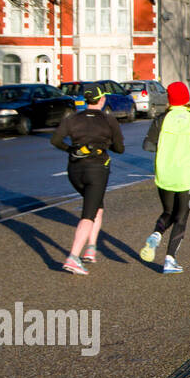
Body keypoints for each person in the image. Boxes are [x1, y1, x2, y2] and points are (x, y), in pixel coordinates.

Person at [138, 81, 190, 274]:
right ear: (187, 98)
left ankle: (156, 233)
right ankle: (170, 260)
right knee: (181, 218)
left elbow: (148, 146)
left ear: (169, 99)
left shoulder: (160, 120)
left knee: (168, 212)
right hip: (189, 176)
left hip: (165, 175)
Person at [50, 84, 124, 274]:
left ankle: (91, 248)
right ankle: (73, 257)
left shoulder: (72, 118)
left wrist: (72, 150)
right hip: (97, 170)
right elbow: (120, 148)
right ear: (101, 99)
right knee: (88, 215)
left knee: (97, 205)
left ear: (85, 100)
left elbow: (55, 141)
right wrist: (104, 145)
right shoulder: (109, 120)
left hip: (74, 170)